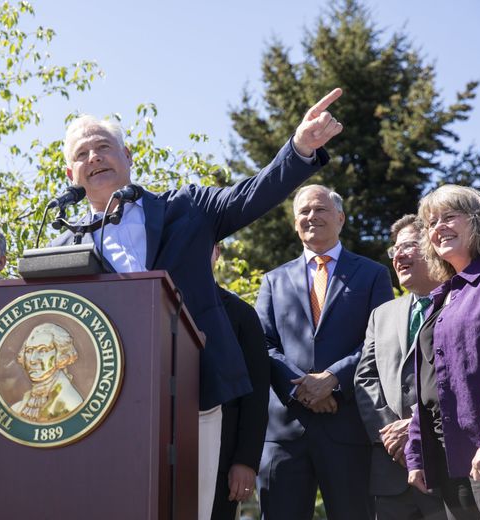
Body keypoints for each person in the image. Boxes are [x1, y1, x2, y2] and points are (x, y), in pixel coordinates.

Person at [50, 88, 345, 519]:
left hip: (196, 389)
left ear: (127, 156)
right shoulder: (62, 245)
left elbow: (252, 194)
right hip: (103, 401)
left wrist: (299, 148)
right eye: (82, 153)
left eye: (103, 147)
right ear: (71, 172)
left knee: (197, 509)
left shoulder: (186, 208)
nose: (94, 157)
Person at [255, 184, 394, 520]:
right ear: (294, 223)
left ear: (341, 218)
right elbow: (264, 344)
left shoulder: (373, 274)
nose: (311, 216)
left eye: (320, 209)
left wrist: (333, 379)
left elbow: (379, 341)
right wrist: (301, 387)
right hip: (286, 432)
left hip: (347, 426)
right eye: (303, 211)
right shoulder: (273, 280)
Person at [406, 185, 480, 519]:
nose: (438, 226)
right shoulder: (442, 297)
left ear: (478, 221)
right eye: (431, 222)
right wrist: (417, 451)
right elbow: (428, 380)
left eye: (449, 216)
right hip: (448, 459)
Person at [354, 215, 445, 520]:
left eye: (408, 246)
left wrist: (419, 429)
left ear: (432, 247)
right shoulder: (382, 315)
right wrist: (392, 436)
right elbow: (365, 378)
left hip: (446, 464)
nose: (399, 256)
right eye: (395, 250)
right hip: (391, 470)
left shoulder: (460, 301)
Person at [210, 244, 269, 520]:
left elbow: (255, 395)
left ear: (217, 252)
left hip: (222, 463)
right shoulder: (152, 301)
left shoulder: (241, 314)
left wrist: (245, 460)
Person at [11, 323, 85, 422]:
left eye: (42, 350)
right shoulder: (16, 408)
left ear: (60, 355)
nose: (32, 360)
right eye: (29, 351)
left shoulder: (72, 403)